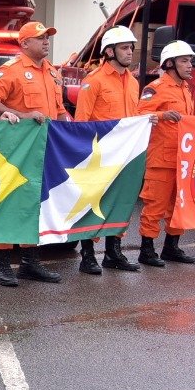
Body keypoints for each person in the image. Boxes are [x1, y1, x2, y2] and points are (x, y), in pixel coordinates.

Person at [0, 21, 70, 286]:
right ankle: (2, 265)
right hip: (15, 152)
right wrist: (23, 116)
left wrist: (69, 131)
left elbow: (59, 109)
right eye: (40, 38)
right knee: (10, 205)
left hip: (45, 151)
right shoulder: (11, 71)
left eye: (48, 37)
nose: (46, 41)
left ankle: (30, 262)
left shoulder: (53, 73)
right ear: (24, 43)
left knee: (36, 205)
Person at [73, 25, 145, 273]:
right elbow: (82, 122)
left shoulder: (134, 83)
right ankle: (88, 255)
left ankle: (114, 253)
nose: (130, 52)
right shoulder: (93, 81)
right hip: (100, 156)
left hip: (125, 156)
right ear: (110, 51)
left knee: (120, 202)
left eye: (131, 48)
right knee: (94, 203)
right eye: (125, 48)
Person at [136, 40, 195, 266]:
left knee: (178, 206)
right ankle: (147, 250)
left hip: (182, 160)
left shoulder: (185, 90)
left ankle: (172, 247)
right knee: (154, 206)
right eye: (184, 61)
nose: (190, 65)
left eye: (190, 60)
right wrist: (163, 116)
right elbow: (140, 115)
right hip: (161, 159)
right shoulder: (156, 88)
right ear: (170, 63)